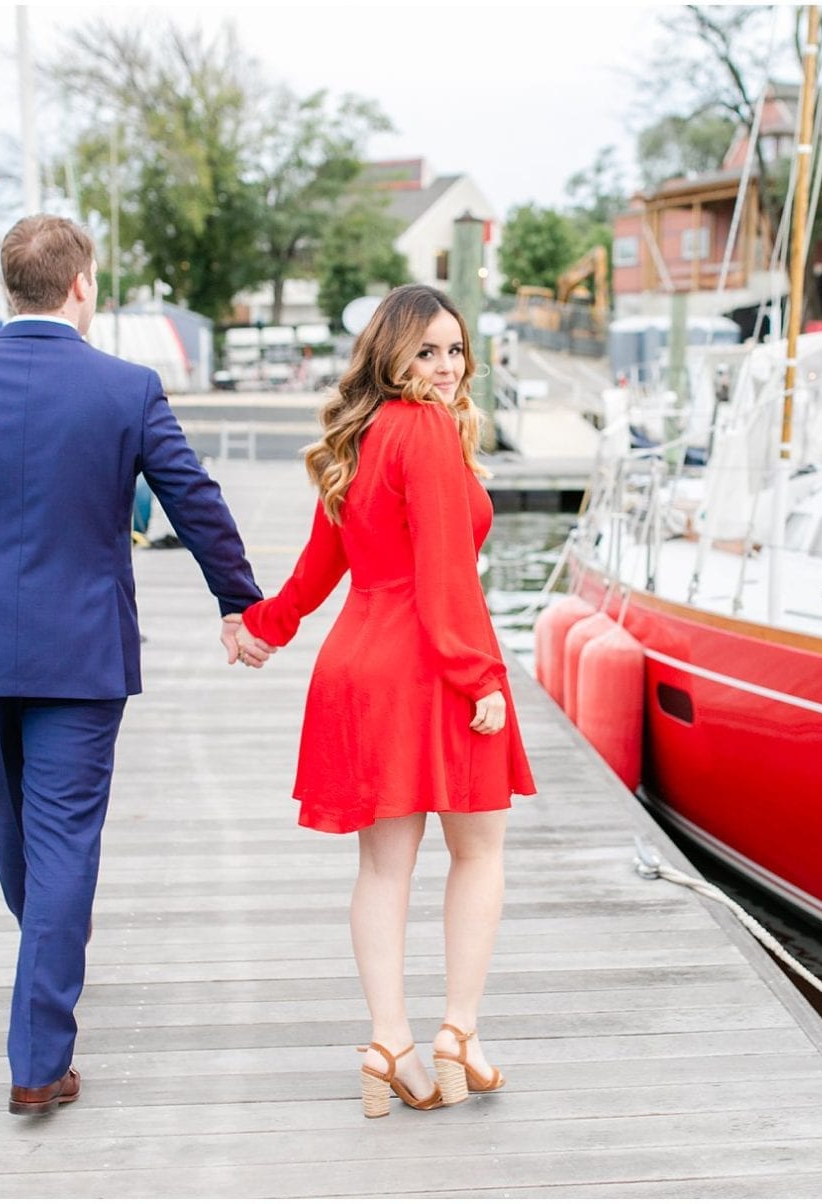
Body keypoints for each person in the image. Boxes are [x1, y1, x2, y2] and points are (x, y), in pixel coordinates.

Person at [0, 214, 273, 1116]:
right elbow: (194, 500)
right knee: (61, 840)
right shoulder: (125, 387)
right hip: (81, 652)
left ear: (6, 289)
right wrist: (238, 599)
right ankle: (39, 1060)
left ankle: (43, 972)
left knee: (21, 821)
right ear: (81, 282)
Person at [236, 284, 535, 1117]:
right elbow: (444, 571)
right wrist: (478, 677)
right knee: (478, 852)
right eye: (428, 351)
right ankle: (459, 1033)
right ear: (393, 356)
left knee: (381, 868)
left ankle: (389, 1043)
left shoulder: (360, 436)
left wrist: (266, 626)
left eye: (455, 350)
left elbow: (320, 563)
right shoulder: (430, 431)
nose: (446, 368)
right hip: (432, 666)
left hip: (358, 668)